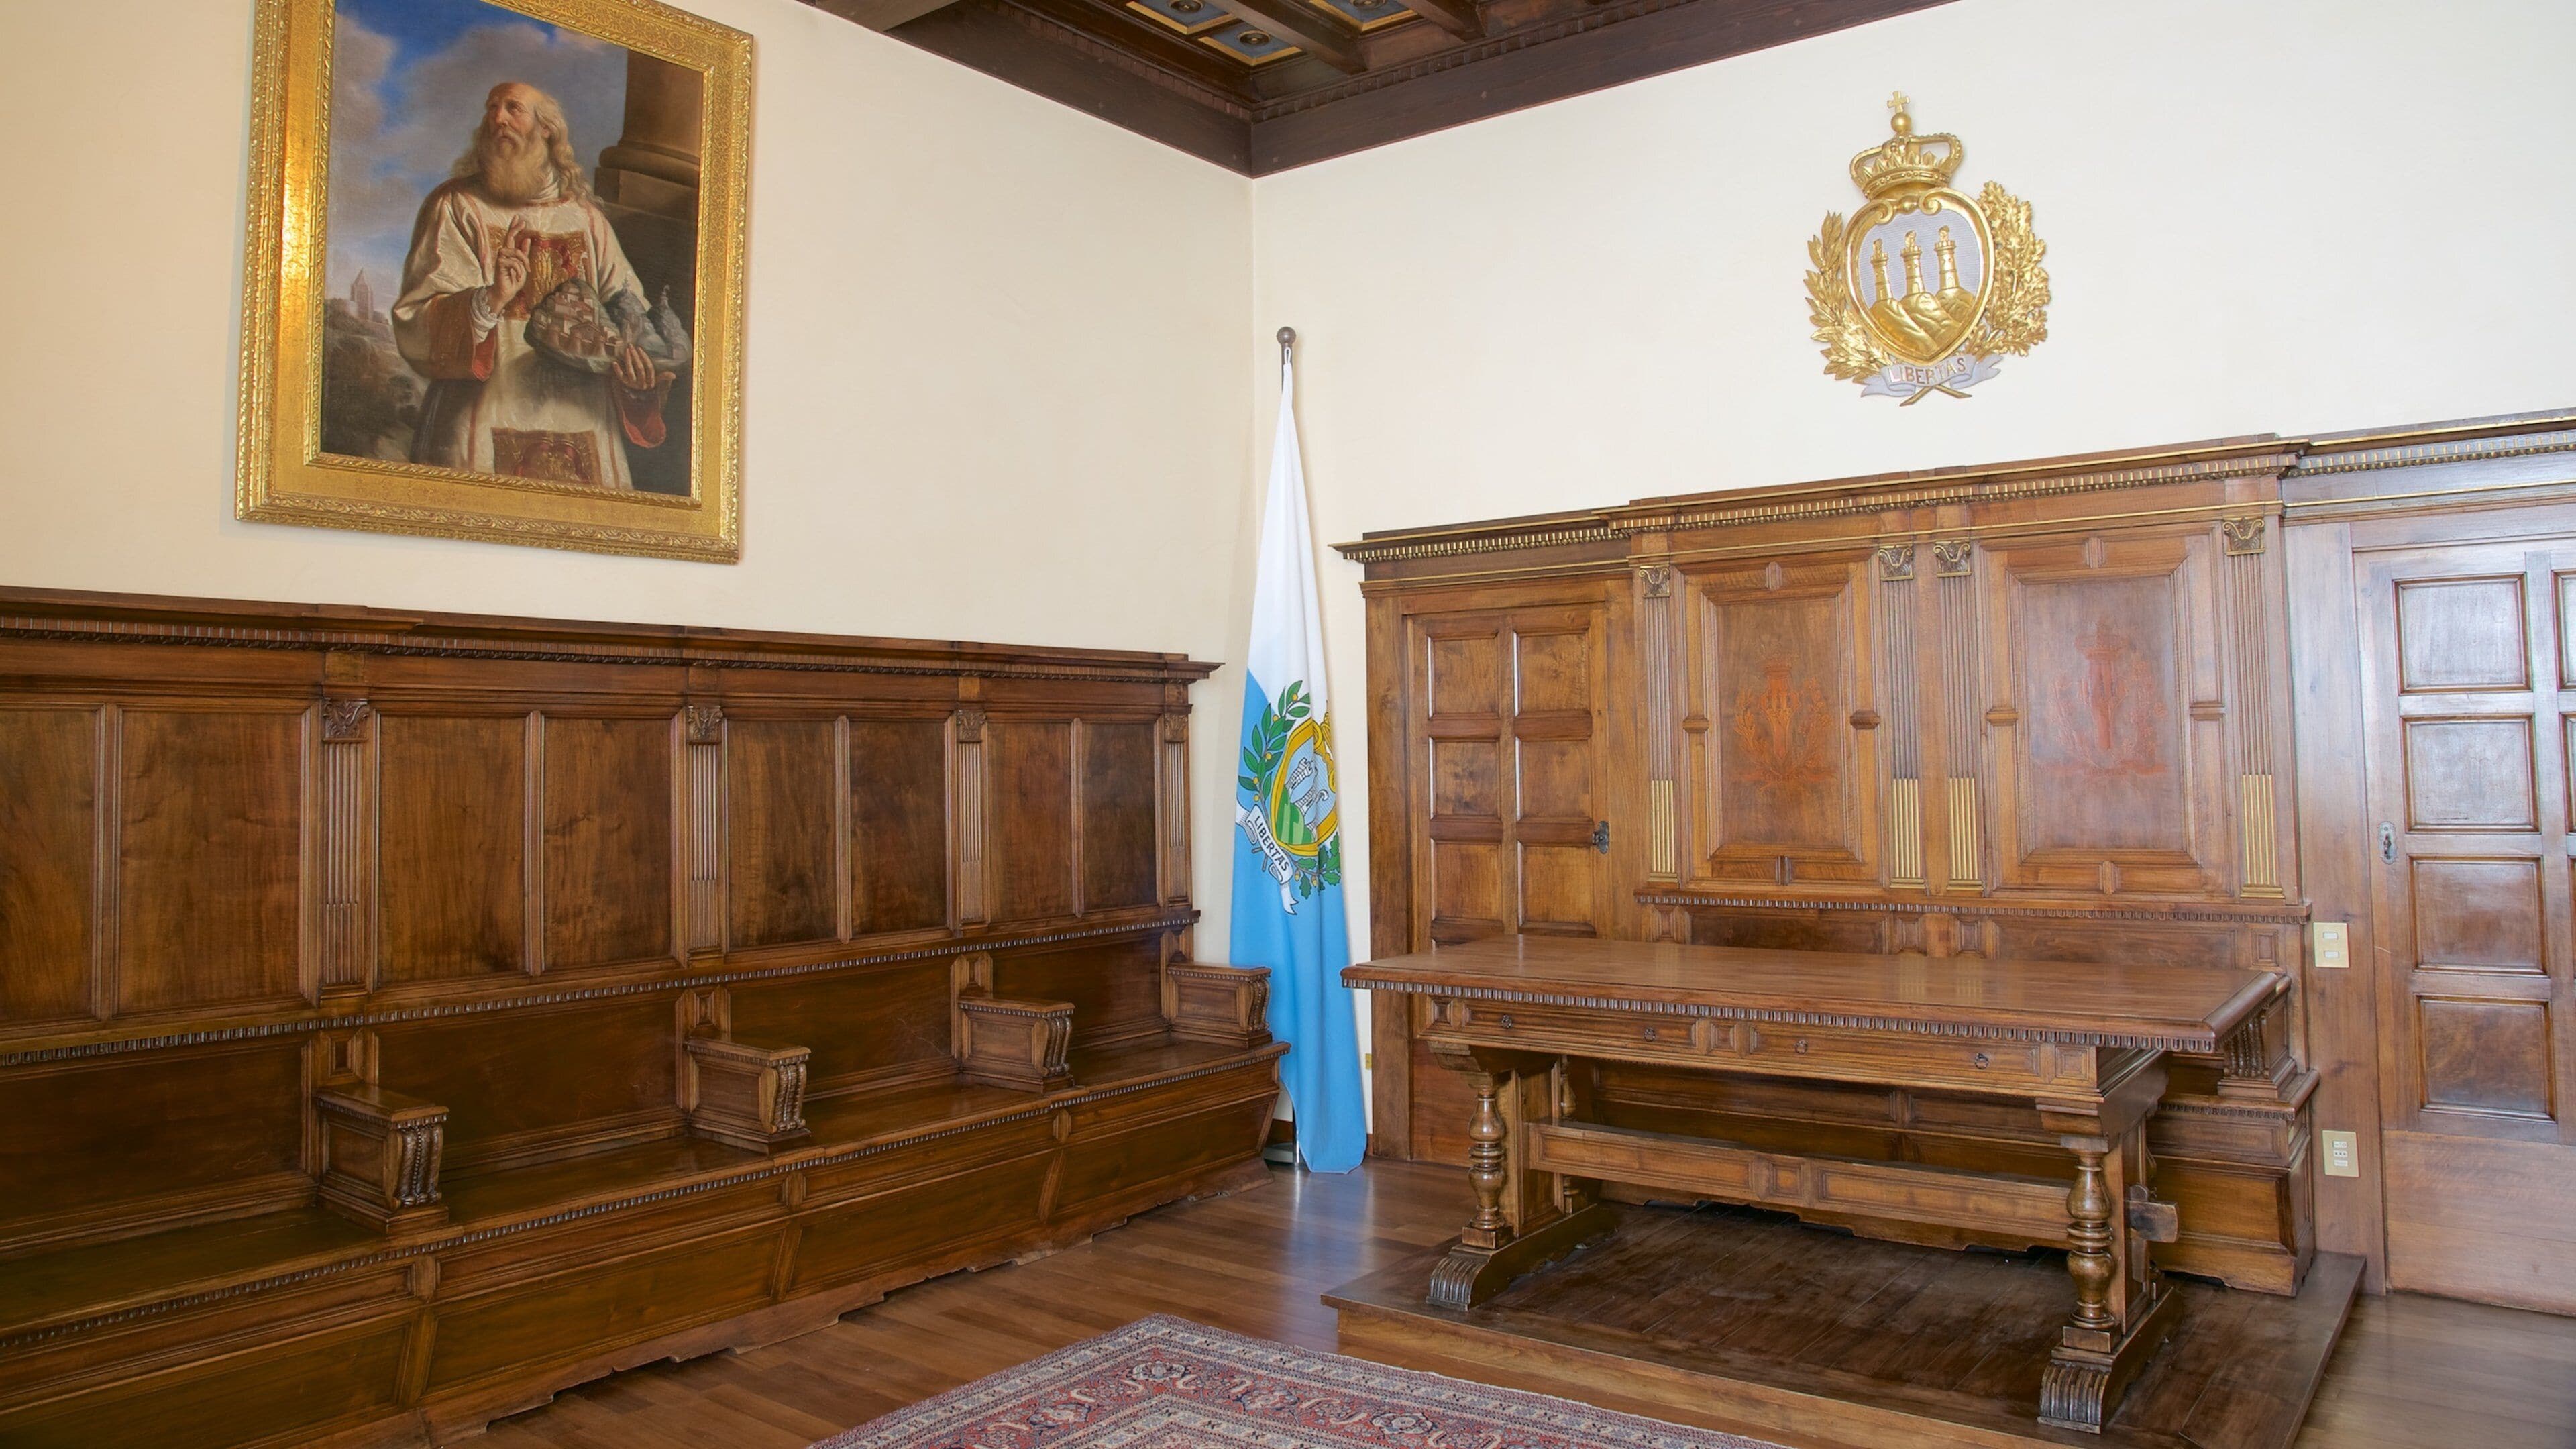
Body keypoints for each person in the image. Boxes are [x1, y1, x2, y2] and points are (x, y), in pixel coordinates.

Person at [391, 81, 671, 488]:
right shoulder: (456, 206)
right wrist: (490, 300)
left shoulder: (585, 219)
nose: (497, 118)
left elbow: (630, 312)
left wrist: (636, 365)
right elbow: (416, 315)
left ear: (546, 130)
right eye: (491, 108)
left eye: (513, 108)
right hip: (484, 411)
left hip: (582, 418)